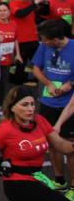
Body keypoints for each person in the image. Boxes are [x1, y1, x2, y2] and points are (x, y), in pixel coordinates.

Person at [0, 85, 74, 201]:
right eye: (25, 105)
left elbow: (61, 145)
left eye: (32, 104)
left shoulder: (40, 121)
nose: (30, 109)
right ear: (13, 107)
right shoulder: (5, 130)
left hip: (36, 178)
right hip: (17, 183)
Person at [32, 18, 74, 187]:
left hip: (69, 105)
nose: (42, 41)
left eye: (45, 39)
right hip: (48, 103)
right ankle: (59, 180)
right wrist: (48, 83)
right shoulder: (44, 47)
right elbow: (36, 69)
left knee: (70, 147)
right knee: (52, 144)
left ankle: (73, 185)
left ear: (56, 40)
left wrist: (70, 83)